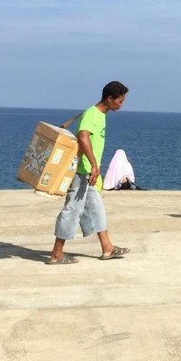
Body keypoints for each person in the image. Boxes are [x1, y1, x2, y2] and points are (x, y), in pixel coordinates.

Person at [48, 81, 130, 265]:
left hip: (90, 173)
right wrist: (93, 165)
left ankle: (107, 248)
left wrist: (96, 167)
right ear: (110, 99)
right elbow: (83, 137)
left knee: (96, 210)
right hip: (82, 172)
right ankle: (56, 254)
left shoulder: (101, 115)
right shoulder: (92, 114)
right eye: (120, 101)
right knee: (72, 211)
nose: (121, 105)